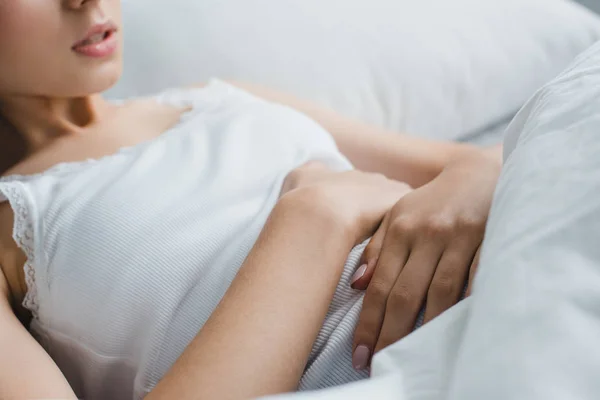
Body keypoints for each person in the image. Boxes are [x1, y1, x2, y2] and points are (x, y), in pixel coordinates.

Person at [0, 1, 501, 399]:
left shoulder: (217, 97)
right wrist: (315, 219)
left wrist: (475, 173)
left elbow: (485, 161)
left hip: (508, 271)